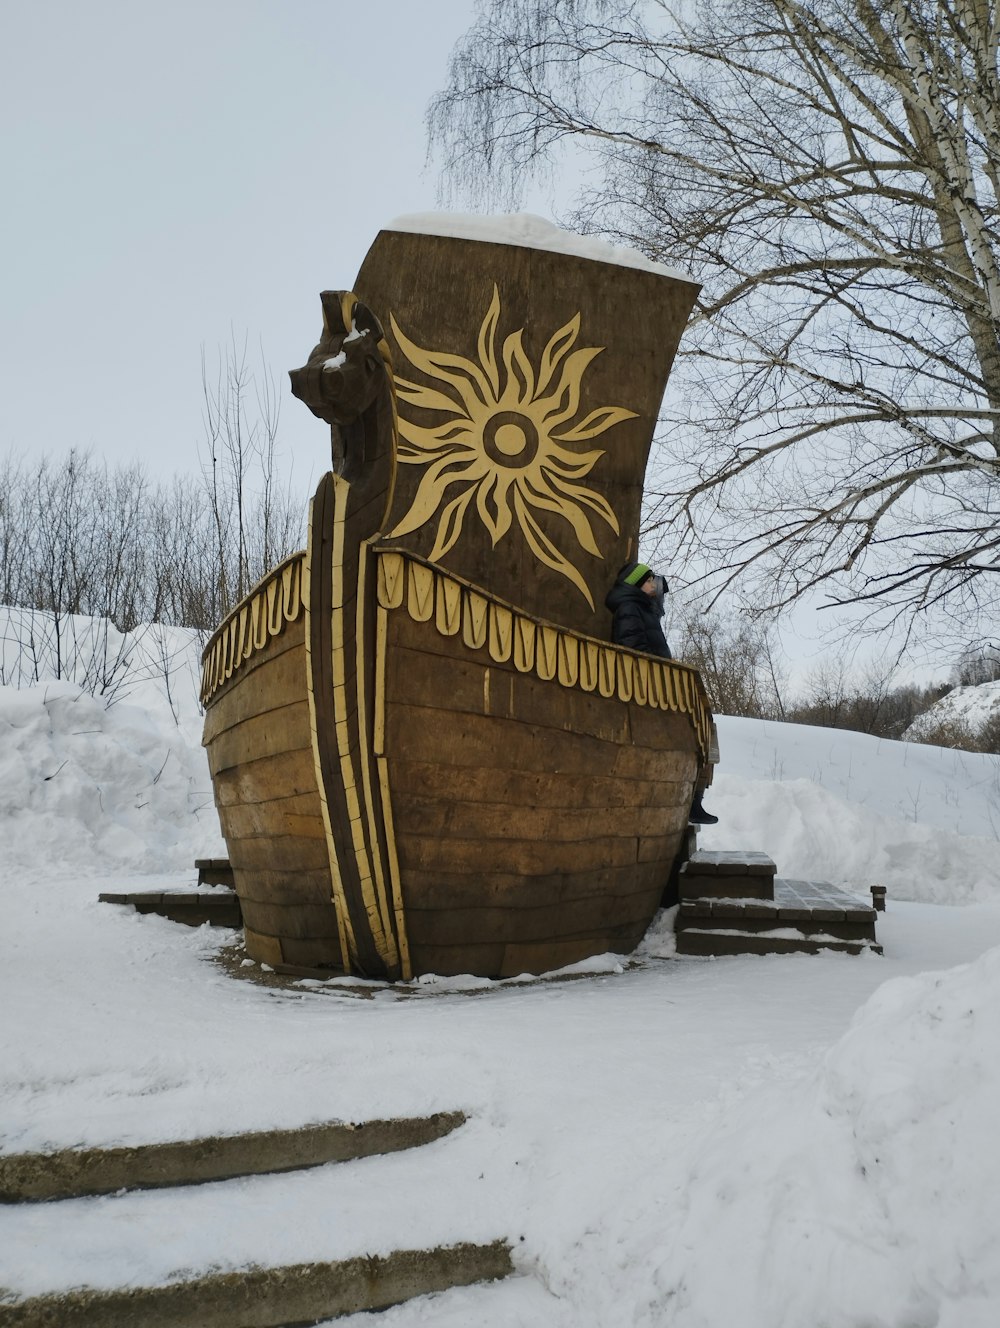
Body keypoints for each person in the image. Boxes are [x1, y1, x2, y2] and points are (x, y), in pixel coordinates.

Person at [605, 561, 719, 825]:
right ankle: (692, 801)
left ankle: (695, 799)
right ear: (635, 584)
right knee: (701, 731)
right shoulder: (630, 608)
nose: (653, 586)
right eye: (648, 581)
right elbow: (633, 649)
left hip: (661, 685)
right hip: (651, 689)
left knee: (708, 732)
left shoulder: (643, 610)